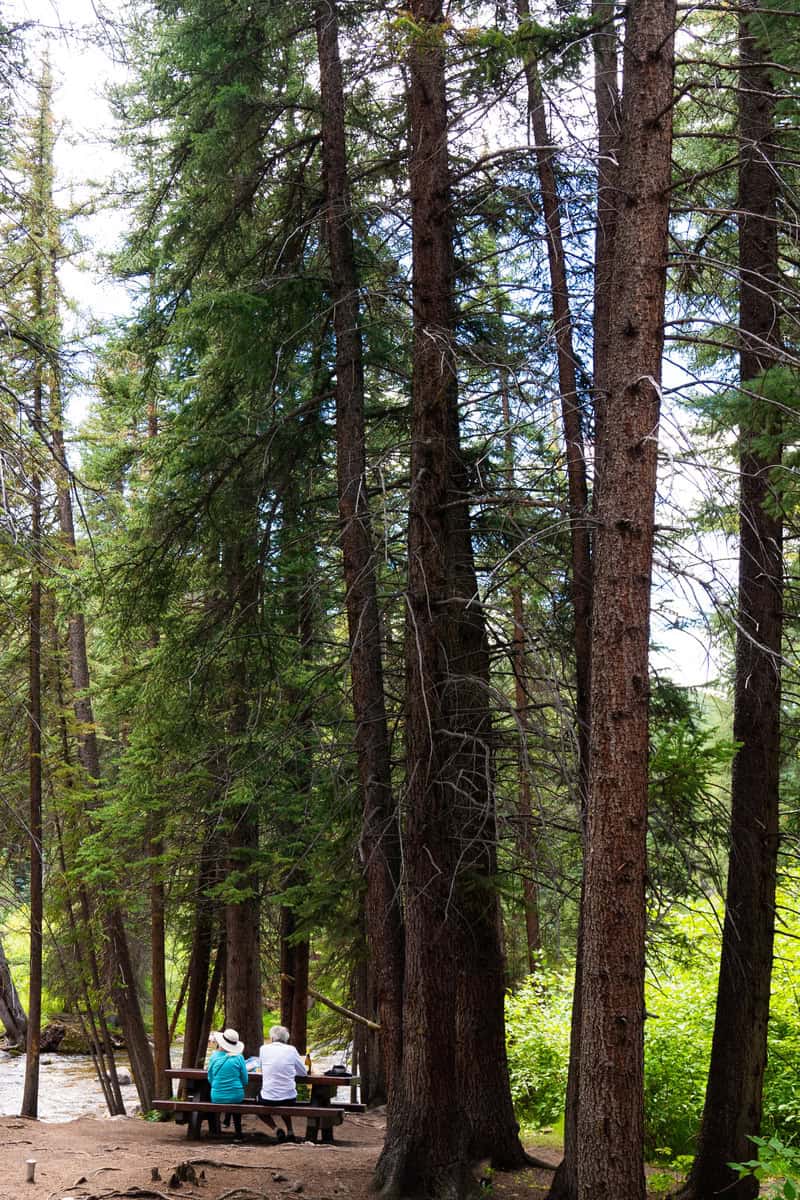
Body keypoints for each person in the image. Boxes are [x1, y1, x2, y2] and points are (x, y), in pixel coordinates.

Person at [257, 1024, 307, 1142]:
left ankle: (275, 1129)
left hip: (268, 1098)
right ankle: (290, 1131)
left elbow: (262, 1069)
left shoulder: (263, 1049)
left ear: (272, 1038)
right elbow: (303, 1073)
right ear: (286, 1039)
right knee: (285, 1097)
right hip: (289, 1098)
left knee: (256, 1105)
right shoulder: (292, 1050)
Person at [207, 1028, 249, 1137]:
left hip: (217, 1095)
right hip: (236, 1095)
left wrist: (218, 1086)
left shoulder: (214, 1057)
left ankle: (215, 1130)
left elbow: (210, 1078)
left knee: (221, 1097)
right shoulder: (239, 1057)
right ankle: (238, 1133)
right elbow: (245, 1080)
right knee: (235, 1100)